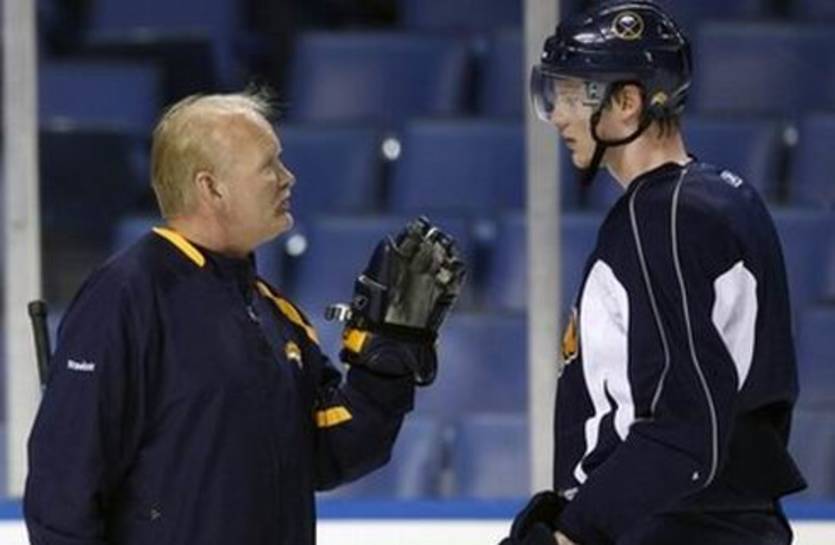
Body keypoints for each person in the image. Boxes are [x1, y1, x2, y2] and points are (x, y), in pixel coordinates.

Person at [24, 90, 465, 545]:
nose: (288, 178)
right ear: (211, 187)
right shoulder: (124, 297)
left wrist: (387, 355)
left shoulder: (273, 310)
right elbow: (64, 486)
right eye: (269, 165)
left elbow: (329, 452)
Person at [501, 2, 806, 544]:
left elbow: (682, 422)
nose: (560, 116)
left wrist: (575, 533)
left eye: (573, 94)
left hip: (679, 527)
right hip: (719, 519)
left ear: (627, 102)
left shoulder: (662, 215)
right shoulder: (722, 197)